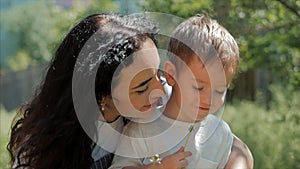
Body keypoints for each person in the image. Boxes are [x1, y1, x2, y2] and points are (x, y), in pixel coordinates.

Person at [7, 13, 189, 169]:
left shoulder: (167, 96)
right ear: (101, 95)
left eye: (159, 73)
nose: (160, 90)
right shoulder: (44, 150)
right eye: (142, 88)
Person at [109, 14, 253, 169]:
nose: (208, 99)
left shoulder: (220, 133)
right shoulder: (141, 130)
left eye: (219, 91)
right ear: (171, 74)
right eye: (198, 87)